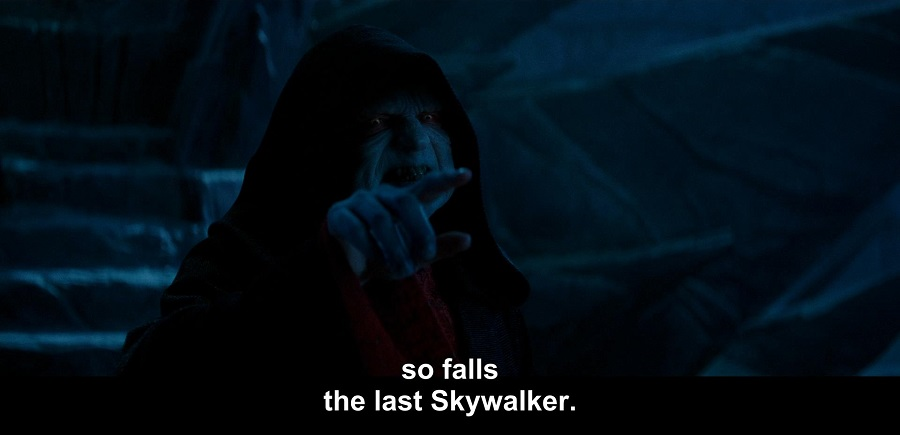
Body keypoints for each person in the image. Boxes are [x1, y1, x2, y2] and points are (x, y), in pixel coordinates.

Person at [117, 24, 532, 378]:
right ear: (321, 149)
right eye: (377, 123)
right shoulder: (245, 254)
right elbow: (147, 370)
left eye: (431, 118)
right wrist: (324, 275)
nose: (416, 141)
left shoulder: (477, 279)